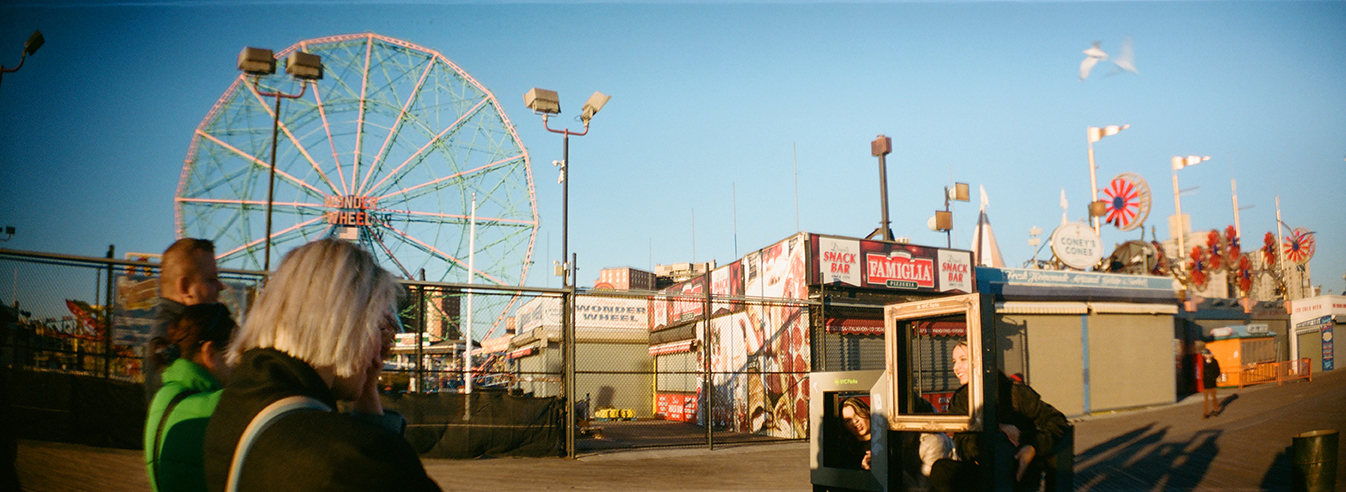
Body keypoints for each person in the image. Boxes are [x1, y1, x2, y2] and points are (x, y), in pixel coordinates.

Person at [202, 239, 439, 492]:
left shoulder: (235, 408)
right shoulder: (348, 459)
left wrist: (366, 388)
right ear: (348, 323)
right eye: (378, 326)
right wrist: (386, 448)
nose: (378, 354)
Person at [930, 341, 1068, 492]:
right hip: (982, 471)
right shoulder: (961, 399)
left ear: (981, 360)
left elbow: (1057, 421)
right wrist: (996, 427)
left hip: (1015, 472)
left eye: (963, 359)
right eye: (954, 361)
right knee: (941, 469)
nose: (956, 368)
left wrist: (1032, 446)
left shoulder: (1015, 393)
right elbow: (963, 442)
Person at [144, 303, 238, 492]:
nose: (239, 364)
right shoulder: (220, 407)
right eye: (237, 353)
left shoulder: (162, 396)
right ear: (210, 353)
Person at [145, 239, 224, 401]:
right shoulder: (176, 339)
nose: (220, 286)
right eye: (211, 279)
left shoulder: (171, 331)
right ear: (185, 287)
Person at [1201, 348, 1222, 419]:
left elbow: (1217, 371)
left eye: (1206, 354)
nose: (1205, 356)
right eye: (1204, 355)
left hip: (1212, 382)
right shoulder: (1203, 362)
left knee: (1214, 398)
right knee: (1206, 399)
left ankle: (1216, 410)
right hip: (1206, 382)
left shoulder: (1214, 361)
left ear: (1210, 354)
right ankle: (1206, 413)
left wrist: (1214, 377)